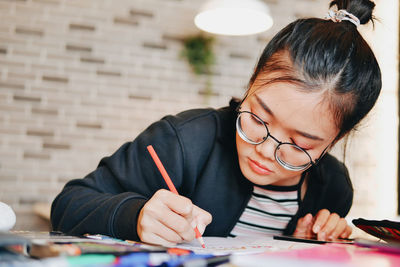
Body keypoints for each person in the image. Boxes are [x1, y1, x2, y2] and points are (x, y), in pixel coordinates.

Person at [51, 0, 381, 247]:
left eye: (300, 144)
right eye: (259, 118)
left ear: (335, 140)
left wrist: (307, 243)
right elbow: (69, 204)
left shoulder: (333, 188)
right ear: (251, 84)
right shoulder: (182, 141)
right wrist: (134, 216)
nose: (265, 151)